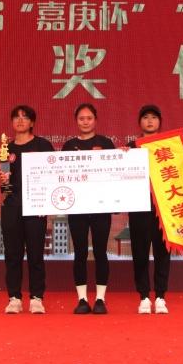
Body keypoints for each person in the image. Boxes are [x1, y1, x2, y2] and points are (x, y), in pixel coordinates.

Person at [0, 105, 55, 314]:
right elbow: (5, 187)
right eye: (16, 117)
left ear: (32, 122)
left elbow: (52, 176)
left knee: (35, 254)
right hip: (12, 206)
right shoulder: (6, 148)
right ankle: (14, 297)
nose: (20, 120)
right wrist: (4, 181)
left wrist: (46, 203)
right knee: (12, 254)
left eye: (25, 117)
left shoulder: (43, 145)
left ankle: (36, 298)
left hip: (36, 207)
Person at [61, 103, 115, 314]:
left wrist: (123, 155)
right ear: (76, 121)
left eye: (89, 118)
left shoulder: (106, 143)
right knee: (80, 252)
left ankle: (100, 299)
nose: (85, 122)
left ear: (95, 120)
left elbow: (116, 170)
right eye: (81, 118)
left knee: (100, 251)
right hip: (77, 207)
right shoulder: (69, 146)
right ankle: (82, 299)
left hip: (101, 206)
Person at [127, 104, 171, 314]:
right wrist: (121, 156)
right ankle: (144, 296)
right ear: (140, 122)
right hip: (139, 208)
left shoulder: (169, 146)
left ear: (159, 122)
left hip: (164, 208)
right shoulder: (131, 147)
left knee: (163, 253)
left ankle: (161, 296)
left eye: (154, 117)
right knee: (140, 253)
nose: (150, 121)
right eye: (145, 117)